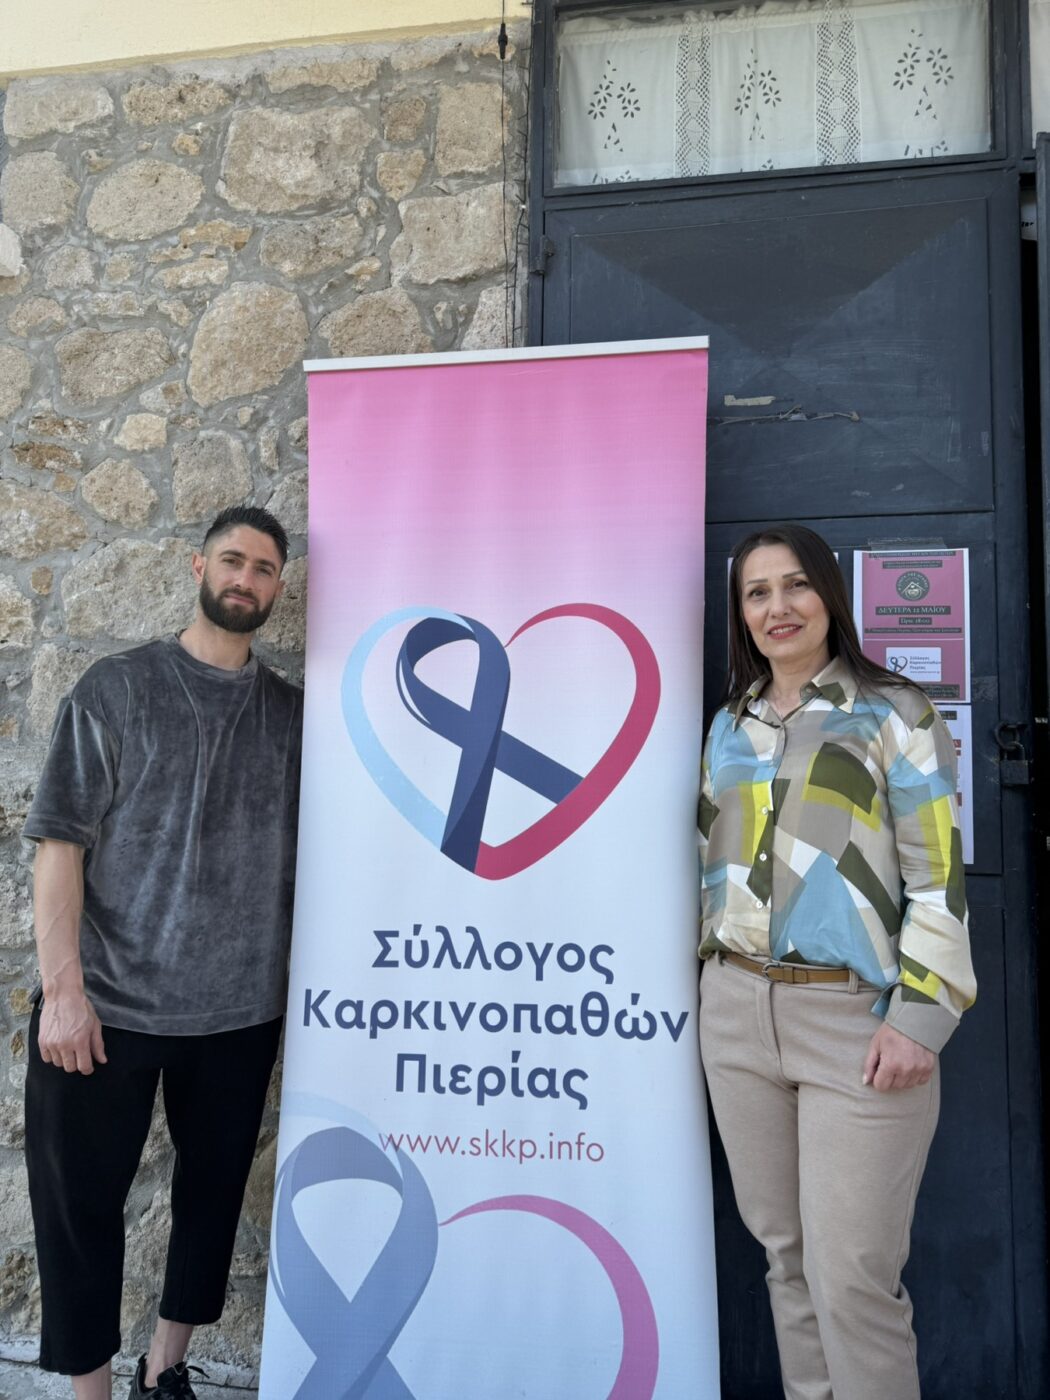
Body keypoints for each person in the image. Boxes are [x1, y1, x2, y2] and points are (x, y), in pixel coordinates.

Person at [23, 506, 304, 1400]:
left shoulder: (294, 717)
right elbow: (58, 845)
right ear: (197, 567)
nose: (245, 579)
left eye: (263, 568)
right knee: (78, 1214)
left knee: (212, 1201)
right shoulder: (117, 689)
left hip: (237, 1014)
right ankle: (91, 1392)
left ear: (279, 588)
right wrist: (63, 992)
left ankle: (164, 1366)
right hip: (104, 1009)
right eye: (232, 560)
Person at [698, 523, 976, 1400]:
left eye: (795, 585)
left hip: (857, 1024)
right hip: (736, 1016)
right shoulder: (729, 726)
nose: (777, 607)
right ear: (741, 612)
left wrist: (921, 1018)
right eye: (757, 592)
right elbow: (707, 868)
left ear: (829, 594)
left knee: (852, 1277)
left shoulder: (895, 713)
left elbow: (938, 876)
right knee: (786, 1262)